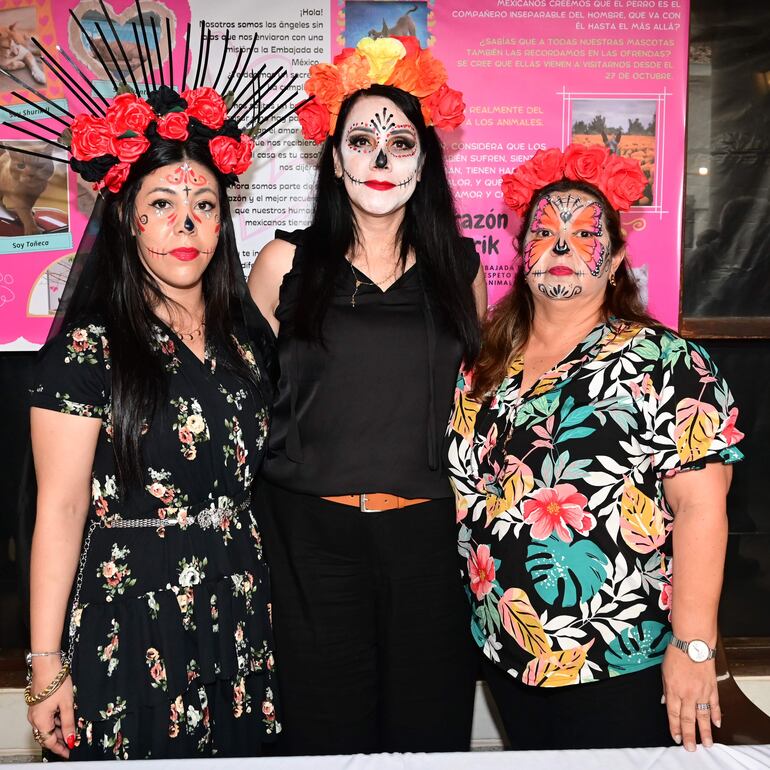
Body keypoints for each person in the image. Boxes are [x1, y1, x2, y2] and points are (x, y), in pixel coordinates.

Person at [15, 10, 302, 759]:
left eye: (204, 205)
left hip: (240, 610)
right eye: (163, 206)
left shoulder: (247, 345)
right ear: (128, 222)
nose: (187, 223)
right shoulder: (89, 348)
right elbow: (62, 506)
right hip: (129, 616)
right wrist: (44, 668)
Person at [446, 145, 744, 752]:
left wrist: (694, 647)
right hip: (503, 654)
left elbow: (701, 509)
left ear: (616, 263)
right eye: (544, 231)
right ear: (521, 252)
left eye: (584, 234)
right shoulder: (481, 364)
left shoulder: (669, 364)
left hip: (617, 662)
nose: (560, 248)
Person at [247, 36, 486, 755]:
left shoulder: (460, 268)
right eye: (362, 140)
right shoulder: (284, 262)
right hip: (311, 542)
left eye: (401, 141)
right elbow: (248, 400)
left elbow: (475, 402)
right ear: (335, 156)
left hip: (428, 543)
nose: (381, 159)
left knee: (427, 734)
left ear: (425, 158)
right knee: (325, 736)